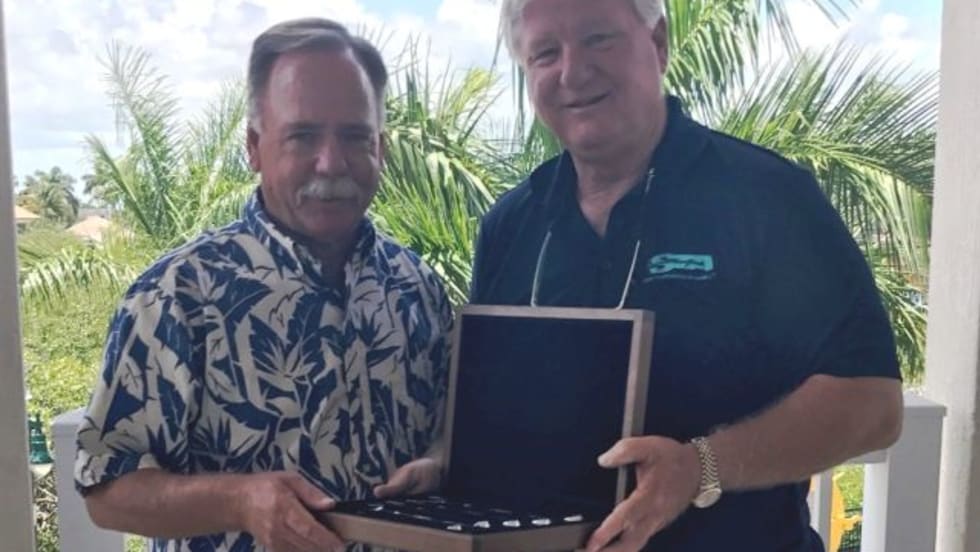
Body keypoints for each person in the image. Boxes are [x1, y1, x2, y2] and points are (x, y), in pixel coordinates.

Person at [470, 0, 904, 550]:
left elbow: (872, 403)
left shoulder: (767, 198)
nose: (572, 72)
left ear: (658, 43)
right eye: (545, 54)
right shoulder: (511, 224)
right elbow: (488, 403)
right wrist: (446, 465)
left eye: (598, 39)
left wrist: (699, 468)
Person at [75, 18, 450, 552]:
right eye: (303, 136)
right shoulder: (176, 297)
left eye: (354, 136)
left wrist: (437, 462)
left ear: (380, 148)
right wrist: (238, 501)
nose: (332, 162)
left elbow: (448, 432)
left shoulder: (418, 290)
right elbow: (105, 488)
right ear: (254, 146)